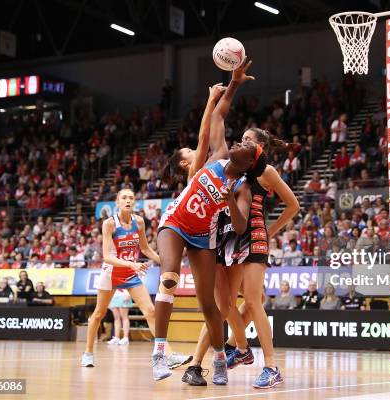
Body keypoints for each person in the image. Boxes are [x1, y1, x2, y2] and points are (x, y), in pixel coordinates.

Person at [153, 60, 266, 383]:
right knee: (170, 278)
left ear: (249, 163)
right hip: (175, 223)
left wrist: (229, 196)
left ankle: (218, 361)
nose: (241, 144)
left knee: (209, 305)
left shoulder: (242, 186)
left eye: (248, 147)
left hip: (204, 236)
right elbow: (217, 117)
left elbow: (242, 226)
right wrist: (233, 85)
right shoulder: (216, 156)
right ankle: (159, 354)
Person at [81, 188, 185, 370]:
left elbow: (145, 249)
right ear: (117, 202)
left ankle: (167, 355)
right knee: (98, 314)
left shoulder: (139, 221)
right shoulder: (109, 224)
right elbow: (106, 256)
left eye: (131, 197)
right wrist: (132, 264)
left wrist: (166, 262)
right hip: (111, 273)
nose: (128, 200)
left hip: (130, 273)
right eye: (124, 197)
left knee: (151, 311)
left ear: (134, 202)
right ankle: (88, 353)